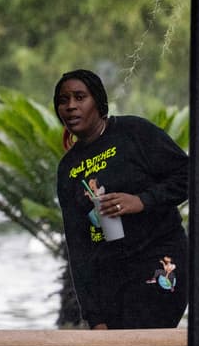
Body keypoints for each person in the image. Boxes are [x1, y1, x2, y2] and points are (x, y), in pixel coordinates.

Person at [54, 69, 189, 329]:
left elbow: (189, 174)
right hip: (109, 278)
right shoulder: (68, 168)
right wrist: (95, 316)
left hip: (159, 258)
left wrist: (141, 201)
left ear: (98, 101)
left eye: (80, 97)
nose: (70, 106)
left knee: (142, 336)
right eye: (63, 100)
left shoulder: (134, 132)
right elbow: (78, 246)